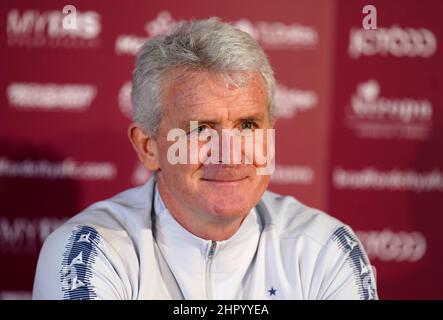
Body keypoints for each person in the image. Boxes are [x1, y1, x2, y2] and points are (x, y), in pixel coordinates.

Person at [32, 18, 378, 300]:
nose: (229, 153)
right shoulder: (89, 252)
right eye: (201, 129)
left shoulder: (324, 250)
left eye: (247, 125)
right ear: (148, 146)